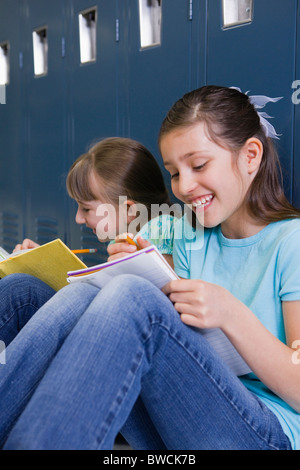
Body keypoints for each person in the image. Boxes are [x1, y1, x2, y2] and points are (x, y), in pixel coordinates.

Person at [1, 85, 300, 450]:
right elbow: (174, 339)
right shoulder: (191, 234)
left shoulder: (291, 244)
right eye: (174, 173)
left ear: (251, 155)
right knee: (29, 291)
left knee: (129, 295)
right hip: (185, 408)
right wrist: (139, 266)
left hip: (266, 432)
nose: (184, 187)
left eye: (199, 165)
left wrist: (230, 314)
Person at [0, 137, 175, 349]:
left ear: (130, 210)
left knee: (19, 291)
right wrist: (42, 265)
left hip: (116, 339)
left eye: (86, 209)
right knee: (19, 285)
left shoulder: (160, 229)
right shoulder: (128, 238)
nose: (78, 219)